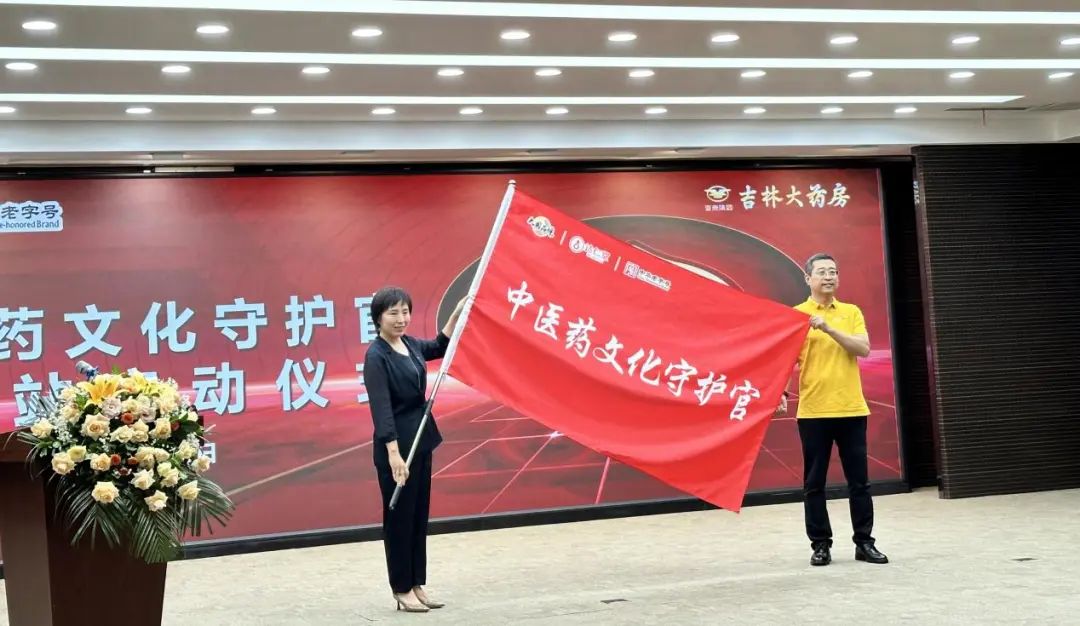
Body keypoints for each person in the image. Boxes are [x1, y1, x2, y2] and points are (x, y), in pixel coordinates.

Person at [775, 253, 888, 567]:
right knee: (814, 483)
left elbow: (863, 348)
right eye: (822, 272)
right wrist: (781, 391)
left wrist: (828, 328)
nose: (829, 277)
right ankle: (820, 545)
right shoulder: (796, 315)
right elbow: (784, 359)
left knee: (859, 482)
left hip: (851, 408)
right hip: (814, 411)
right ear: (808, 278)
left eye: (833, 272)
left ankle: (864, 542)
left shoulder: (851, 312)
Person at [364, 286, 468, 612]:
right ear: (378, 318)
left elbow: (438, 345)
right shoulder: (376, 356)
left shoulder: (409, 344)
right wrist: (394, 454)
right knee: (399, 520)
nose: (401, 319)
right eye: (393, 313)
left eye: (405, 311)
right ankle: (400, 588)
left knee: (417, 517)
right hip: (397, 450)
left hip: (421, 441)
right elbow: (382, 411)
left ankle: (416, 583)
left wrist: (456, 313)